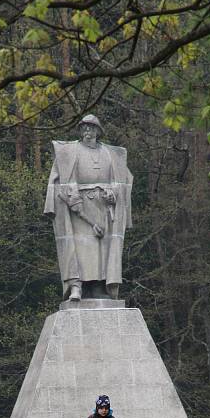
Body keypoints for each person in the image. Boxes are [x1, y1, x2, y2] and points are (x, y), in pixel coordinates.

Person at [44, 114, 133, 301]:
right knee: (80, 247)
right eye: (84, 128)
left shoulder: (109, 153)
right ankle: (77, 286)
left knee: (103, 250)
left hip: (104, 207)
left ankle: (100, 287)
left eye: (92, 128)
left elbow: (122, 181)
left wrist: (113, 194)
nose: (87, 131)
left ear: (98, 131)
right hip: (79, 207)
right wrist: (75, 202)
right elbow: (63, 180)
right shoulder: (71, 151)